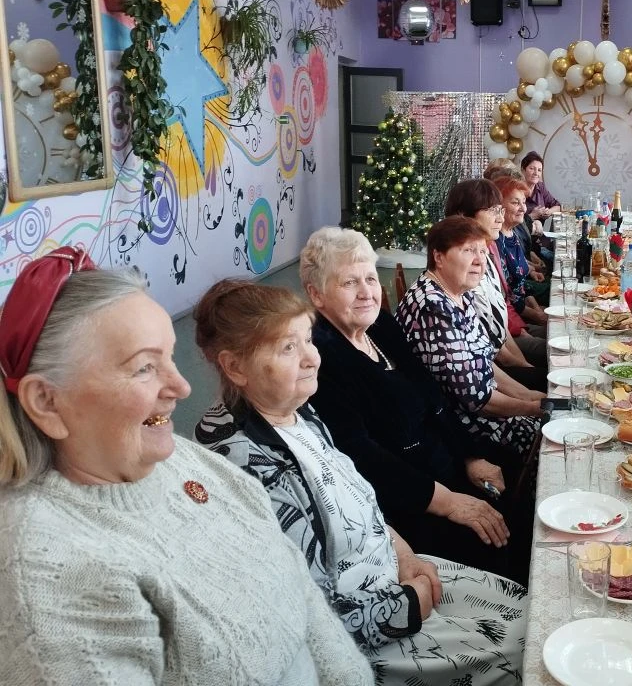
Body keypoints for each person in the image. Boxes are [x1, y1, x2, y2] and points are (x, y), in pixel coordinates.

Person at [0, 248, 371, 685]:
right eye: (144, 368)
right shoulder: (48, 575)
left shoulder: (183, 459)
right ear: (47, 402)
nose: (181, 386)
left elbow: (303, 592)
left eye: (170, 357)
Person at [192, 280, 527, 685]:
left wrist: (405, 556)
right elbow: (313, 617)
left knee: (531, 608)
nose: (312, 358)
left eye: (307, 340)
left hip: (395, 575)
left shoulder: (298, 411)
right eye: (288, 348)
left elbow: (359, 500)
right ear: (234, 367)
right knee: (527, 649)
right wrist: (411, 602)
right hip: (367, 637)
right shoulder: (243, 464)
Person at [298, 226, 521, 581]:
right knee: (500, 539)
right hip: (403, 500)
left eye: (370, 278)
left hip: (444, 464)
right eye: (349, 283)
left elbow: (433, 396)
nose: (366, 292)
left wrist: (470, 457)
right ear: (316, 294)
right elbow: (360, 456)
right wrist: (448, 502)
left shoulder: (379, 327)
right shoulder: (320, 357)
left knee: (521, 480)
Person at [396, 216, 545, 468]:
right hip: (459, 430)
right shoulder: (434, 308)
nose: (479, 260)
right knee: (556, 445)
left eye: (483, 251)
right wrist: (532, 408)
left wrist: (528, 395)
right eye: (468, 250)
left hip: (480, 410)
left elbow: (484, 360)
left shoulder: (458, 294)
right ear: (438, 257)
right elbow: (478, 402)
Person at [444, 178, 547, 389]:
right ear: (464, 216)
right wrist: (528, 378)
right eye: (493, 211)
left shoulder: (487, 256)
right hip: (490, 374)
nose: (500, 218)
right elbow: (493, 355)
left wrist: (526, 368)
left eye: (500, 210)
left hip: (501, 358)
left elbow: (499, 324)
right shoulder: (461, 272)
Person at [494, 176, 550, 327]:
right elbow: (509, 296)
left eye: (524, 202)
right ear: (498, 206)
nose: (524, 209)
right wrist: (536, 315)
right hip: (512, 319)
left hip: (524, 308)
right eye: (515, 203)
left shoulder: (512, 234)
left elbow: (521, 286)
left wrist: (537, 310)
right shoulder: (496, 242)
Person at [521, 150, 561, 222]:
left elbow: (558, 206)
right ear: (523, 170)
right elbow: (510, 220)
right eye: (532, 169)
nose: (536, 173)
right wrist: (532, 216)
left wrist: (548, 212)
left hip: (541, 228)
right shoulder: (515, 189)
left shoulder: (540, 186)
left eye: (539, 170)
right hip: (524, 229)